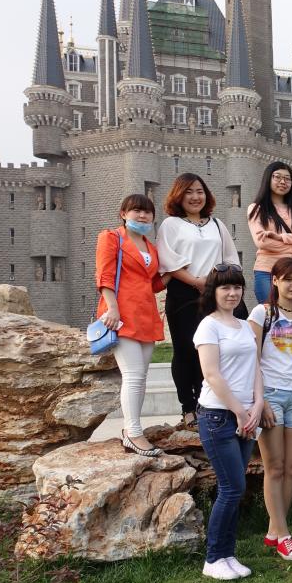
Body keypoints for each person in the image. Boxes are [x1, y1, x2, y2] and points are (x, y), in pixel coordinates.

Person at [194, 264, 264, 580]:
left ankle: (227, 554)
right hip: (218, 416)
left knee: (236, 488)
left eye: (237, 287)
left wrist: (257, 404)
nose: (232, 293)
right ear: (214, 291)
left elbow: (256, 367)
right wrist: (239, 411)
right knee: (231, 488)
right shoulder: (208, 327)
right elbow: (212, 374)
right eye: (225, 287)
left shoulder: (244, 326)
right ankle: (213, 559)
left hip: (247, 414)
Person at [248, 257, 292, 561]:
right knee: (274, 467)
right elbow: (252, 360)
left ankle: (275, 532)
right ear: (275, 281)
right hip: (272, 397)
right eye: (288, 279)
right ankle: (283, 535)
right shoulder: (262, 313)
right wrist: (260, 400)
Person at [156, 173, 240, 431]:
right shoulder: (171, 225)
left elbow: (231, 258)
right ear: (178, 196)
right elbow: (167, 261)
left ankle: (211, 403)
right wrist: (196, 281)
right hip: (184, 293)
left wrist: (215, 282)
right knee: (185, 351)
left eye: (199, 191)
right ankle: (188, 407)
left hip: (215, 293)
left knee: (215, 349)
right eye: (189, 192)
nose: (195, 197)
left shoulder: (217, 224)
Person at [95, 193, 167, 457]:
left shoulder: (151, 247)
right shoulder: (111, 238)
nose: (143, 215)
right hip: (121, 314)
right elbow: (104, 274)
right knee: (133, 375)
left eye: (147, 212)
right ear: (124, 214)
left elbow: (154, 284)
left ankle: (134, 429)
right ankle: (133, 433)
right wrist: (112, 308)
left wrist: (176, 270)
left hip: (145, 314)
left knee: (141, 376)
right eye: (137, 210)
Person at [248, 162, 292, 304]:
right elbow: (262, 242)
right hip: (268, 271)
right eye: (277, 177)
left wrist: (281, 237)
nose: (283, 182)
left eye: (287, 178)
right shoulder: (256, 209)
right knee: (271, 313)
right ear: (268, 179)